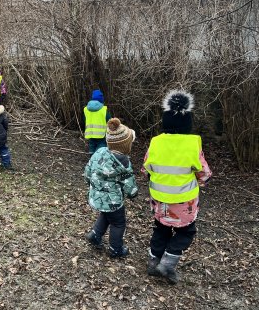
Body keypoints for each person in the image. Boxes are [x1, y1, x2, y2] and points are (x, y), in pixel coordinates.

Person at [143, 90, 212, 284]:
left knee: (161, 229)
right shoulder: (192, 145)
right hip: (184, 202)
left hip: (159, 201)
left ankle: (153, 261)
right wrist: (202, 181)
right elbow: (204, 172)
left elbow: (146, 168)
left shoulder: (155, 143)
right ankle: (167, 263)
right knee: (185, 232)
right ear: (187, 124)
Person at [84, 118, 138, 258]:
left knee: (106, 214)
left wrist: (90, 184)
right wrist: (133, 193)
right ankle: (115, 249)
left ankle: (95, 235)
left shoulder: (100, 151)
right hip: (113, 201)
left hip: (96, 195)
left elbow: (88, 170)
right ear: (126, 145)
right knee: (118, 223)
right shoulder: (124, 162)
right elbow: (130, 186)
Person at [83, 89, 112, 155]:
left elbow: (84, 120)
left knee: (92, 146)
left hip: (90, 133)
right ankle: (98, 159)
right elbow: (109, 120)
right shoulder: (103, 109)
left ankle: (92, 159)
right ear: (102, 99)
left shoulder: (86, 109)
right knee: (101, 148)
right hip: (101, 134)